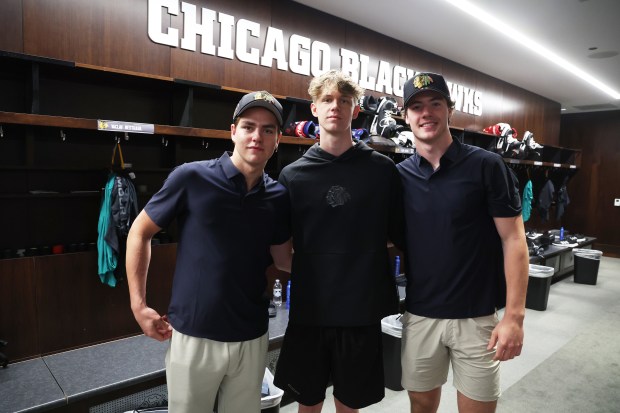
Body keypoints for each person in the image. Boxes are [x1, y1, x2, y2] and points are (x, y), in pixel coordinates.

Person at [126, 91, 292, 413]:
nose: (257, 136)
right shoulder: (192, 177)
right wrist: (138, 304)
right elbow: (139, 232)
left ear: (277, 139)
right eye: (248, 126)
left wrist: (347, 261)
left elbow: (285, 260)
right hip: (193, 336)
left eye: (268, 129)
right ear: (233, 131)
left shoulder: (278, 196)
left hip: (252, 337)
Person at [396, 72, 529, 413]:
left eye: (435, 104)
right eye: (417, 107)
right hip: (420, 315)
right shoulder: (398, 176)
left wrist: (514, 316)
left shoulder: (486, 166)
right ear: (406, 115)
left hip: (477, 318)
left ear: (450, 110)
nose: (426, 113)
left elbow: (513, 239)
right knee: (421, 404)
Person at [273, 70, 405, 413]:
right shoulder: (292, 176)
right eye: (327, 100)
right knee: (308, 402)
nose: (336, 107)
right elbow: (280, 247)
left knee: (350, 403)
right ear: (314, 109)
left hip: (361, 312)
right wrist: (314, 272)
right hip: (309, 312)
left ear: (356, 110)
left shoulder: (382, 171)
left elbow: (401, 234)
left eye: (344, 101)